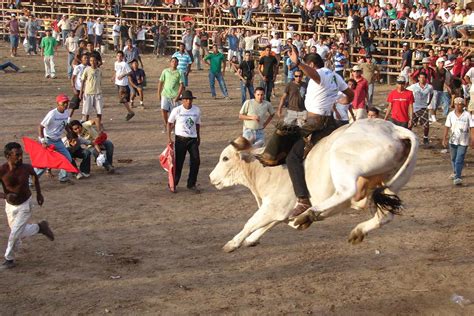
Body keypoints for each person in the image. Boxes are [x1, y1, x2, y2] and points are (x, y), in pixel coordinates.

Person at [285, 49, 354, 217]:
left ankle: (302, 200)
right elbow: (350, 94)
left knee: (292, 157)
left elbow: (314, 75)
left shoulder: (320, 74)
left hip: (314, 123)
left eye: (307, 67)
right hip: (329, 122)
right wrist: (341, 100)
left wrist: (298, 63)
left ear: (312, 65)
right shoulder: (335, 76)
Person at [0, 142, 54, 270]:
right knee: (19, 232)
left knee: (14, 234)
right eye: (17, 155)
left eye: (21, 154)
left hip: (25, 204)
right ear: (8, 156)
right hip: (10, 206)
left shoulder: (26, 168)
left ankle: (9, 259)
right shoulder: (2, 171)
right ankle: (40, 227)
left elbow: (34, 176)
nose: (20, 158)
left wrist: (39, 194)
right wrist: (4, 196)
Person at [167, 90, 201, 193]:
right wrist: (169, 138)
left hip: (192, 139)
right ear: (182, 101)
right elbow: (169, 123)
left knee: (196, 161)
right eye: (186, 100)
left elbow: (197, 124)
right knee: (179, 162)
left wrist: (199, 136)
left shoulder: (197, 110)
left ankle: (191, 183)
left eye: (190, 99)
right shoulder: (177, 110)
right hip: (180, 139)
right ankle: (174, 183)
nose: (188, 101)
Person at [36, 94, 73, 183]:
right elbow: (40, 127)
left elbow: (65, 125)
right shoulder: (52, 114)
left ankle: (63, 177)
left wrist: (70, 134)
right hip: (48, 140)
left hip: (58, 140)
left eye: (67, 102)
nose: (65, 104)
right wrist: (43, 141)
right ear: (58, 103)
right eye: (64, 102)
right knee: (44, 163)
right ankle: (30, 181)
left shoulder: (66, 112)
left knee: (67, 158)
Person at [442, 98, 474, 186]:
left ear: (463, 106)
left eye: (460, 104)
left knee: (460, 158)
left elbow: (472, 127)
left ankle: (458, 177)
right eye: (456, 104)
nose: (458, 106)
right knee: (453, 158)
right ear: (454, 105)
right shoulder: (451, 115)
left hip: (464, 140)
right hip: (453, 140)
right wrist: (444, 138)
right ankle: (456, 171)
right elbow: (447, 127)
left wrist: (472, 139)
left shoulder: (467, 115)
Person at [158, 57, 185, 133]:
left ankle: (172, 126)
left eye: (175, 62)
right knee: (163, 109)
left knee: (175, 112)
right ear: (170, 62)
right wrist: (158, 93)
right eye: (172, 61)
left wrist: (178, 96)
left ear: (178, 63)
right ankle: (166, 125)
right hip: (165, 94)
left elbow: (181, 85)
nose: (174, 63)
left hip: (174, 95)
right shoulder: (165, 71)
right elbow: (160, 82)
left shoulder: (180, 72)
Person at [407, 72, 433, 145]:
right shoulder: (413, 86)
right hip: (414, 107)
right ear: (418, 78)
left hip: (423, 107)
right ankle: (408, 138)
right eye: (420, 77)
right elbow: (406, 91)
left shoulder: (429, 87)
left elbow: (431, 94)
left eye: (423, 77)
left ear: (426, 79)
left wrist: (429, 102)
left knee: (426, 124)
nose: (422, 79)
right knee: (410, 124)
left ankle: (425, 137)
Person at [80, 54, 103, 129]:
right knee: (86, 112)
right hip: (88, 93)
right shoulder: (87, 70)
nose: (92, 62)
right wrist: (81, 92)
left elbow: (99, 82)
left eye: (94, 60)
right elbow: (83, 81)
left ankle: (99, 126)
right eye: (91, 60)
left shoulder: (99, 70)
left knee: (99, 111)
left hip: (98, 93)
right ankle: (85, 127)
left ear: (97, 61)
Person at [112, 51, 135, 121]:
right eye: (118, 56)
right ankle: (130, 111)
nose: (119, 57)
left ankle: (130, 112)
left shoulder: (124, 64)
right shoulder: (115, 63)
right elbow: (116, 71)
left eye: (120, 56)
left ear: (123, 57)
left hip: (123, 84)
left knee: (123, 99)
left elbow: (130, 72)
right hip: (118, 83)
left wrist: (123, 75)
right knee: (122, 100)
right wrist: (113, 77)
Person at [70, 53, 89, 118]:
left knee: (86, 105)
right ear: (81, 59)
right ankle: (68, 118)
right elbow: (72, 78)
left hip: (87, 89)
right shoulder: (78, 67)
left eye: (87, 58)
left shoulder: (89, 68)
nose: (86, 59)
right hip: (78, 88)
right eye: (85, 58)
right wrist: (73, 88)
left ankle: (84, 119)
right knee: (74, 104)